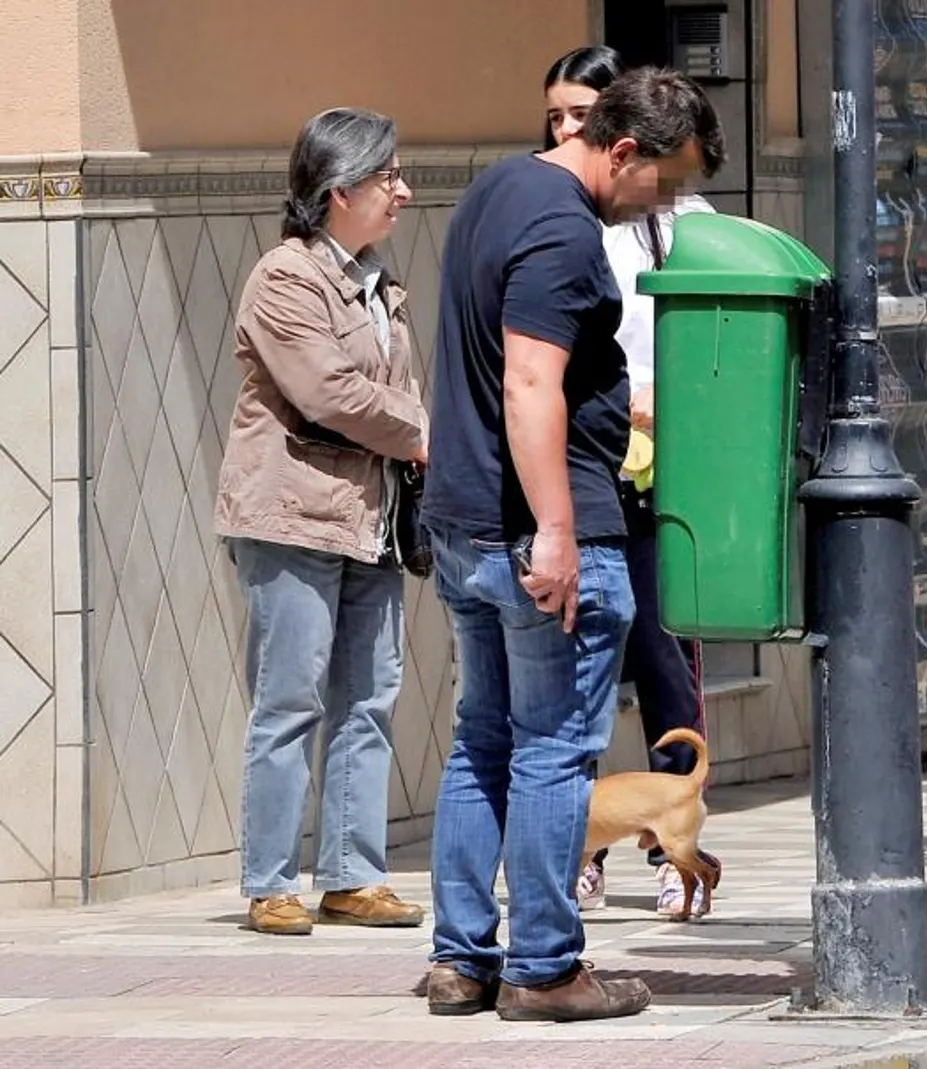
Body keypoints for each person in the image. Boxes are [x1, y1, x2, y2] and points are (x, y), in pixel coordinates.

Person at [419, 67, 723, 1022]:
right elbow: (529, 384)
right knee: (552, 751)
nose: (662, 205)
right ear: (622, 150)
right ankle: (545, 967)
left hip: (467, 524)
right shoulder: (561, 228)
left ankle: (461, 960)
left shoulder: (496, 189)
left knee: (483, 741)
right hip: (544, 537)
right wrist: (554, 528)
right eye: (663, 183)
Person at [215, 107, 429, 937]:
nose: (402, 191)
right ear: (340, 189)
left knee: (369, 697)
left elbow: (374, 392)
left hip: (367, 517)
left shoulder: (376, 280)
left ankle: (353, 876)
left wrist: (410, 433)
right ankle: (271, 879)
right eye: (388, 177)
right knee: (290, 698)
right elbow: (328, 393)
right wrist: (421, 431)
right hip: (292, 514)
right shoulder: (286, 278)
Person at [542, 44, 725, 920]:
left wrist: (664, 402)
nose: (572, 130)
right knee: (579, 669)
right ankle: (582, 850)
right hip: (586, 468)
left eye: (584, 112)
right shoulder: (554, 213)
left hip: (661, 461)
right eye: (557, 117)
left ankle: (667, 841)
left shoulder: (680, 214)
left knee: (662, 655)